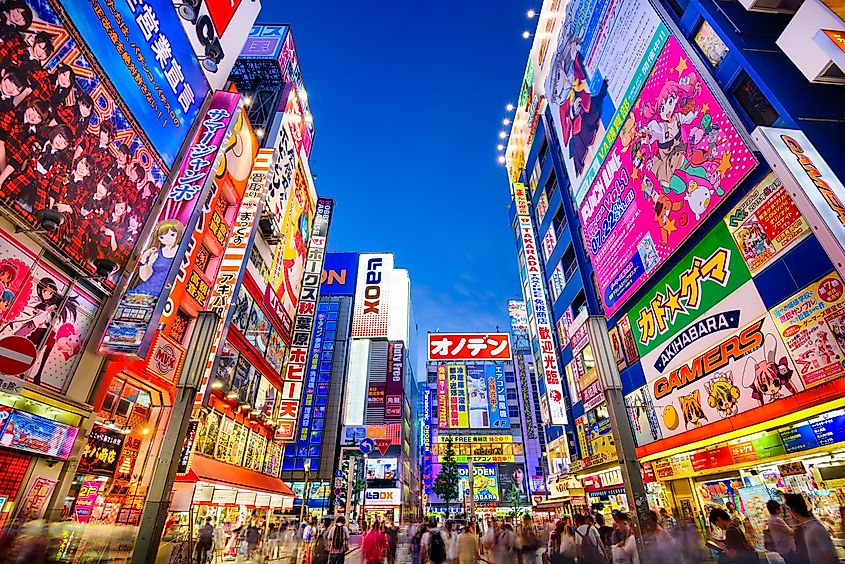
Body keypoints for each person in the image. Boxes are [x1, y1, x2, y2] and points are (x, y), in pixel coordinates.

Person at [784, 493, 837, 564]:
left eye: (788, 510)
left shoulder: (814, 528)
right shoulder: (807, 527)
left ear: (793, 511)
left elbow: (829, 555)